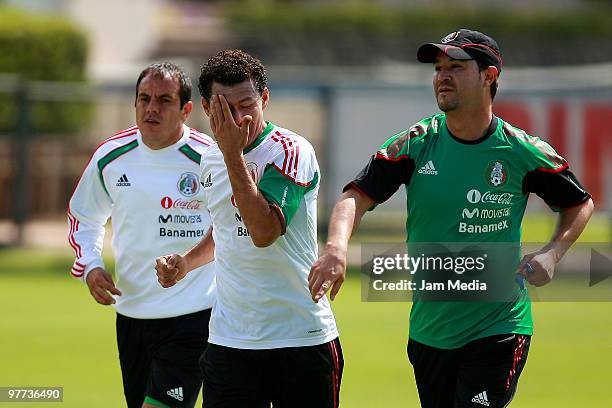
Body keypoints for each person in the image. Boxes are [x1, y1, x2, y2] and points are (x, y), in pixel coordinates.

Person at [309, 29, 593, 407]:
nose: (442, 75)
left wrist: (553, 254)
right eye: (439, 67)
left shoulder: (523, 151)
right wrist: (335, 247)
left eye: (456, 67)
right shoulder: (415, 143)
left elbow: (579, 202)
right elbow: (355, 196)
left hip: (500, 326)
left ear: (489, 76)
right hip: (430, 331)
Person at [155, 49, 343, 408]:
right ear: (208, 109)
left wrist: (232, 156)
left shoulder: (291, 151)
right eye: (226, 109)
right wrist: (187, 261)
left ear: (265, 99)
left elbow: (262, 232)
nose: (239, 118)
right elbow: (225, 227)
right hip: (230, 342)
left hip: (300, 340)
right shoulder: (211, 157)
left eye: (247, 105)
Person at [67, 62, 216, 408]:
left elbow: (228, 227)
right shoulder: (111, 157)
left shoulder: (209, 158)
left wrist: (188, 263)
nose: (151, 108)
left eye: (164, 100)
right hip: (132, 314)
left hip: (194, 316)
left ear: (186, 109)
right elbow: (84, 216)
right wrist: (90, 265)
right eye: (144, 99)